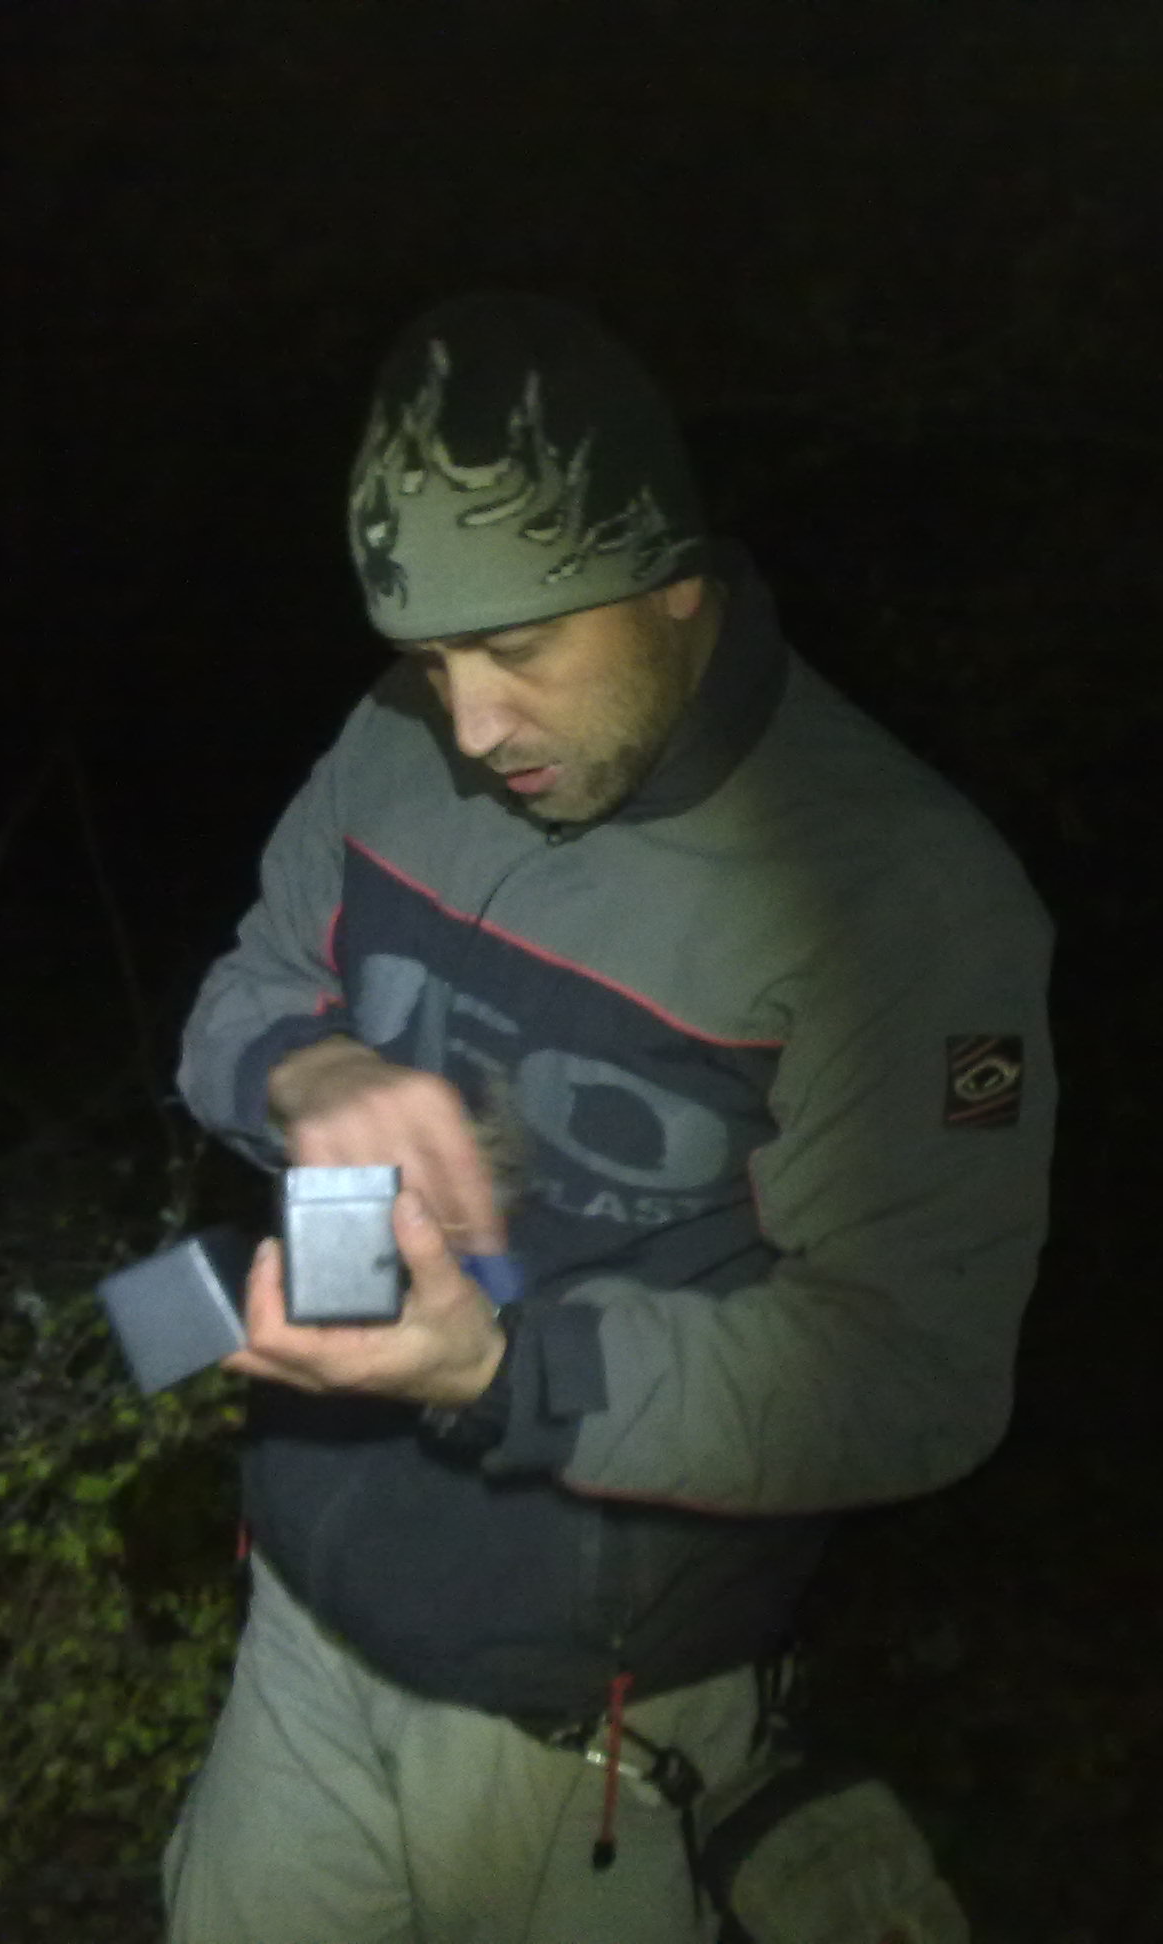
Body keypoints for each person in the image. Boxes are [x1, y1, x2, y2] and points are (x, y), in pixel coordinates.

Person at [163, 291, 1054, 1943]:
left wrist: (508, 1373)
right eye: (431, 659)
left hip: (592, 1728)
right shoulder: (390, 745)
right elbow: (244, 989)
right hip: (301, 1623)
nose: (469, 724)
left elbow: (917, 1379)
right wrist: (305, 1071)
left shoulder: (908, 902)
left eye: (520, 650)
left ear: (676, 590)